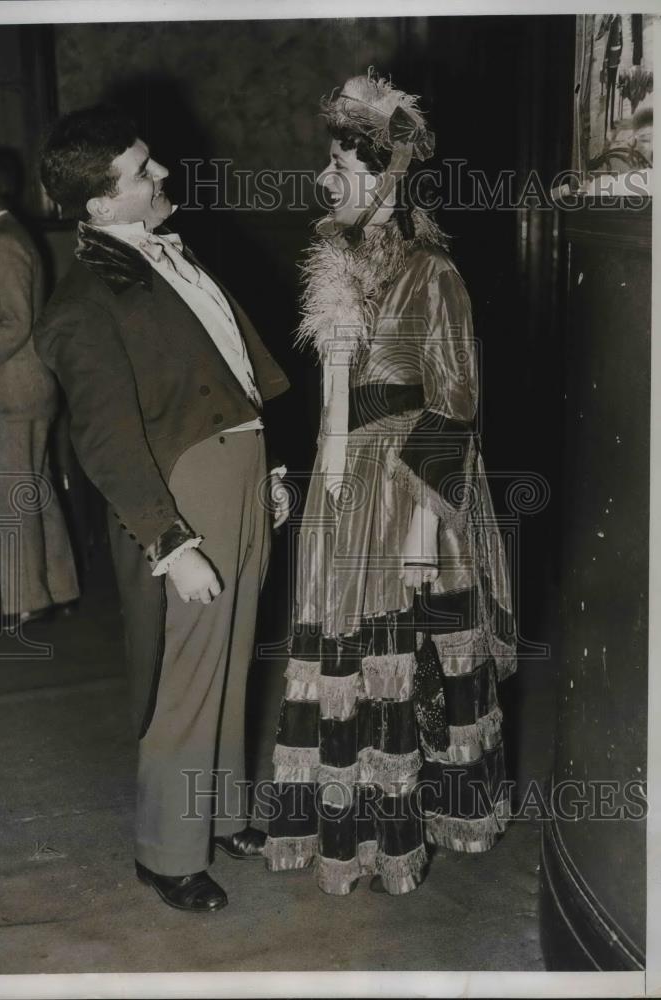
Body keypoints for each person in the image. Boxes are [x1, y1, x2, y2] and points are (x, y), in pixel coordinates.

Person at [263, 70, 517, 895]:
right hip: (344, 493)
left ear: (385, 175)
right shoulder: (336, 268)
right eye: (329, 163)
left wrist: (422, 530)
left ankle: (400, 839)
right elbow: (333, 402)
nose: (325, 179)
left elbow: (456, 403)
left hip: (406, 489)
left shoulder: (434, 273)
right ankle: (357, 838)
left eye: (343, 164)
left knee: (404, 658)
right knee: (343, 652)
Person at [34, 106, 289, 913]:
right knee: (185, 673)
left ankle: (222, 811)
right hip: (182, 491)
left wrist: (269, 467)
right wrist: (171, 543)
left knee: (234, 648)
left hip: (240, 471)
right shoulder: (81, 304)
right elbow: (105, 444)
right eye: (143, 172)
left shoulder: (169, 257)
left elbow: (232, 368)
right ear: (102, 205)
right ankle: (167, 852)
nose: (163, 176)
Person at [0, 146, 79, 628]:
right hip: (27, 389)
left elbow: (13, 322)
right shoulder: (0, 237)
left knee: (12, 496)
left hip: (12, 393)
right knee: (37, 491)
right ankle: (60, 588)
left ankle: (27, 600)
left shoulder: (2, 240)